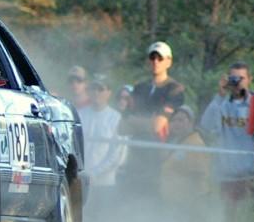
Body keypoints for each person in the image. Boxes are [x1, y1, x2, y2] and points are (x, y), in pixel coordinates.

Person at [200, 61, 254, 208]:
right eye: (233, 78)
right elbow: (206, 126)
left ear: (250, 79)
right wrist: (220, 94)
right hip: (227, 176)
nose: (237, 82)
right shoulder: (221, 103)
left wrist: (251, 103)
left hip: (253, 175)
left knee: (253, 221)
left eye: (241, 78)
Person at [118, 41, 185, 198]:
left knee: (153, 201)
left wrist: (136, 120)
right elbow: (122, 127)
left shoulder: (175, 89)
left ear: (169, 61)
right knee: (129, 202)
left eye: (160, 58)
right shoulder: (139, 87)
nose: (155, 62)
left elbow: (157, 126)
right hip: (135, 155)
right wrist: (148, 121)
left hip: (159, 156)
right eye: (152, 58)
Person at [78, 74, 126, 209]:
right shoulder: (80, 114)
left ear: (109, 92)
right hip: (81, 181)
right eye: (93, 88)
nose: (96, 92)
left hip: (105, 184)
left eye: (101, 89)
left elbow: (117, 155)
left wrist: (95, 173)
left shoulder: (116, 118)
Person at [160, 105, 210, 209]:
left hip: (189, 204)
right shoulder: (177, 142)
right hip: (175, 202)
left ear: (191, 122)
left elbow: (197, 176)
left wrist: (190, 205)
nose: (176, 123)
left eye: (181, 120)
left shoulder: (195, 144)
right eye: (173, 120)